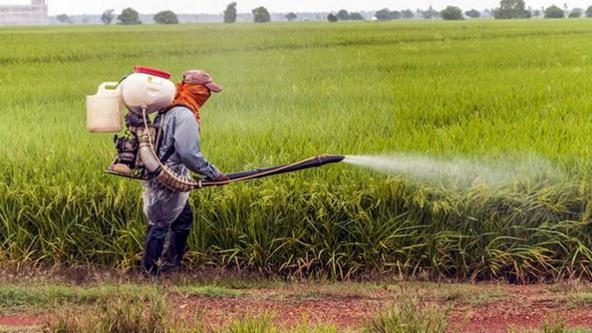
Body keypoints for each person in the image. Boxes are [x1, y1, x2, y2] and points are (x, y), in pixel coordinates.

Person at [142, 69, 229, 274]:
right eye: (206, 91)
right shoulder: (185, 114)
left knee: (182, 219)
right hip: (168, 177)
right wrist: (213, 173)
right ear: (196, 90)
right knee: (160, 224)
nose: (207, 96)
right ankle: (150, 273)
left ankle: (170, 265)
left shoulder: (168, 109)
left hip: (163, 172)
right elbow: (188, 153)